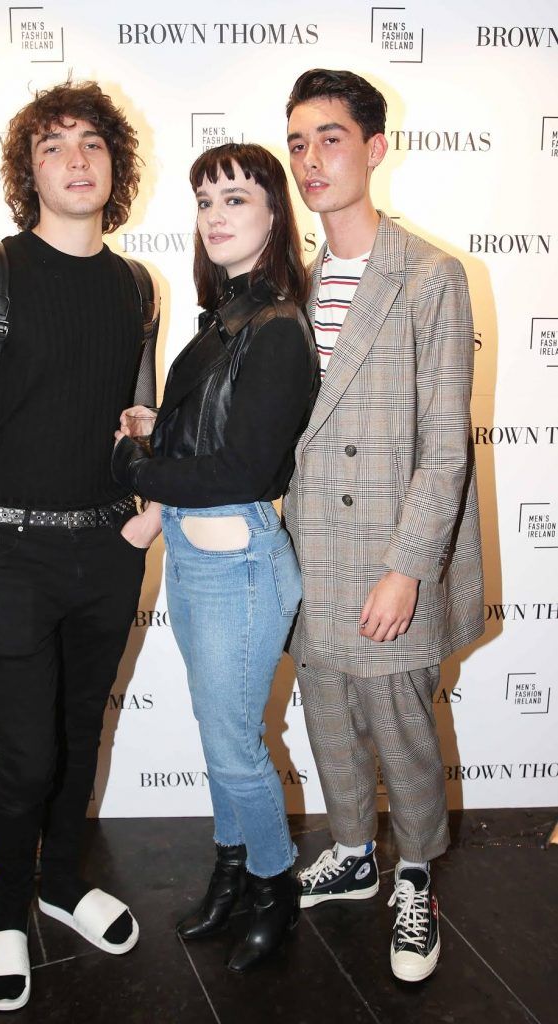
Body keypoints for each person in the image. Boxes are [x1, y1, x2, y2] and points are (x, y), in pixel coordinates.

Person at [0, 80, 160, 1012]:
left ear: (115, 166)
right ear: (29, 171)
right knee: (26, 754)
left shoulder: (138, 285)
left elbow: (136, 426)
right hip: (6, 555)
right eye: (53, 146)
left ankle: (61, 883)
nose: (76, 159)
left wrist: (149, 497)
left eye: (91, 143)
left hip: (107, 553)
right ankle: (10, 909)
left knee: (79, 732)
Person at [283, 69, 484, 982]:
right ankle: (354, 853)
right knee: (326, 711)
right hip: (304, 547)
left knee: (401, 728)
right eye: (296, 143)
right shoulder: (291, 279)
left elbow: (446, 446)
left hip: (384, 548)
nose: (310, 161)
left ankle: (413, 876)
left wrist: (409, 566)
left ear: (373, 147)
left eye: (329, 138)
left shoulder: (429, 274)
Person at [112, 142, 319, 972]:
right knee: (219, 734)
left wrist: (133, 465)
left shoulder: (274, 328)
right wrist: (151, 430)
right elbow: (198, 433)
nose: (217, 215)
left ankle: (276, 891)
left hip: (240, 563)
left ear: (275, 215)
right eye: (205, 202)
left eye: (236, 197)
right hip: (198, 561)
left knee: (236, 743)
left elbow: (244, 467)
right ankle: (232, 872)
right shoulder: (220, 320)